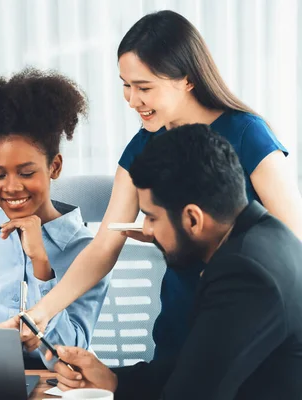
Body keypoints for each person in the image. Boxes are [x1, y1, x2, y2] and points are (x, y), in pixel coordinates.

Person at [27, 9, 302, 361]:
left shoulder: (248, 134)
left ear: (186, 79)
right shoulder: (143, 145)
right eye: (126, 86)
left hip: (247, 336)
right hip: (180, 333)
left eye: (144, 87)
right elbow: (103, 246)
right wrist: (42, 312)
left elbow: (289, 242)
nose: (131, 100)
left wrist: (177, 230)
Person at [49, 124, 302, 400]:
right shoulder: (266, 238)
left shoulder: (245, 274)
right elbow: (201, 364)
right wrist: (113, 381)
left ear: (193, 218)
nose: (145, 230)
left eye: (152, 217)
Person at [0, 69, 109, 369]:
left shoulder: (89, 252)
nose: (12, 187)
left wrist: (41, 265)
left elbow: (72, 353)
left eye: (27, 173)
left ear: (54, 167)